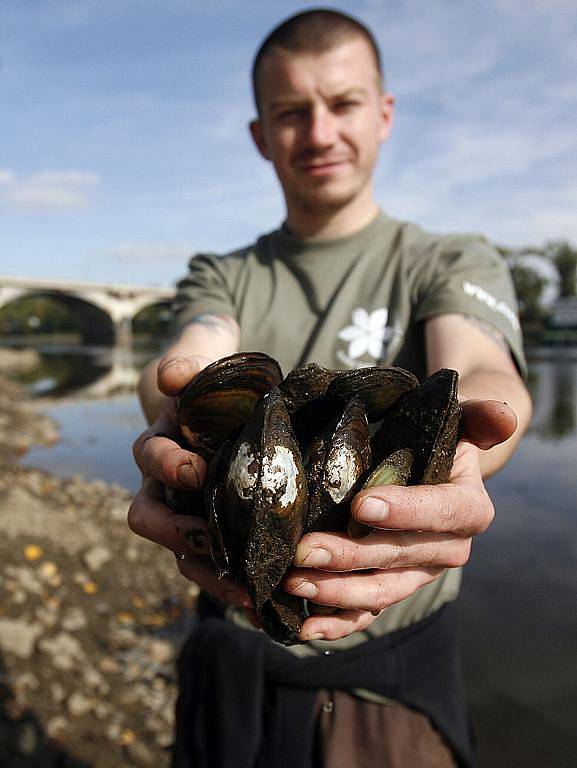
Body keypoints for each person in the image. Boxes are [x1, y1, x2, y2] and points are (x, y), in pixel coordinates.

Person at [129, 9, 532, 768]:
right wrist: (175, 404)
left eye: (343, 104)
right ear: (259, 135)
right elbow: (191, 356)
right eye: (290, 113)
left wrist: (470, 447)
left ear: (383, 116)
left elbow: (479, 371)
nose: (318, 133)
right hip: (232, 648)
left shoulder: (446, 259)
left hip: (391, 680)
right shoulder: (222, 274)